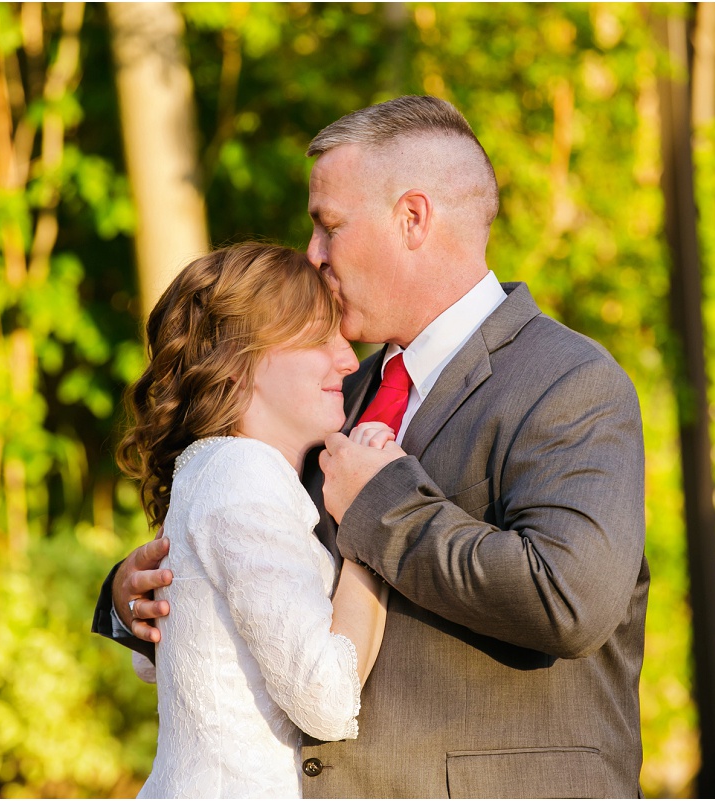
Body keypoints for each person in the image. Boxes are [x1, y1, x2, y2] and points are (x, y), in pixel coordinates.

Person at [94, 96, 649, 798]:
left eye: (328, 226)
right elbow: (263, 568)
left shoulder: (569, 382)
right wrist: (132, 600)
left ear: (412, 219)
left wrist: (383, 506)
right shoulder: (333, 398)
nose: (313, 254)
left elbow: (569, 598)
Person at [112, 242, 391, 798]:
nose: (349, 359)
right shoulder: (243, 477)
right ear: (238, 365)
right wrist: (371, 518)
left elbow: (170, 658)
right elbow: (328, 700)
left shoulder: (211, 469)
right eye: (319, 337)